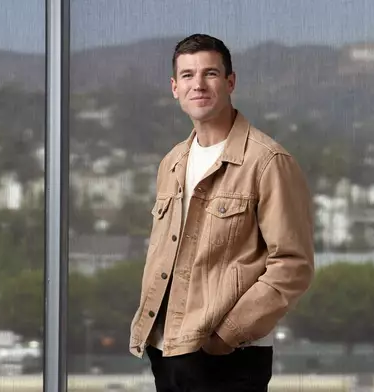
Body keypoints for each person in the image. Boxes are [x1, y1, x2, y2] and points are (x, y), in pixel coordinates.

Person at [128, 33, 315, 392]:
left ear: (230, 81)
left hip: (229, 358)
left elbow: (293, 265)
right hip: (167, 350)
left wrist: (227, 335)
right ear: (174, 87)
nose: (197, 84)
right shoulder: (172, 163)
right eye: (187, 75)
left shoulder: (267, 161)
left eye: (210, 74)